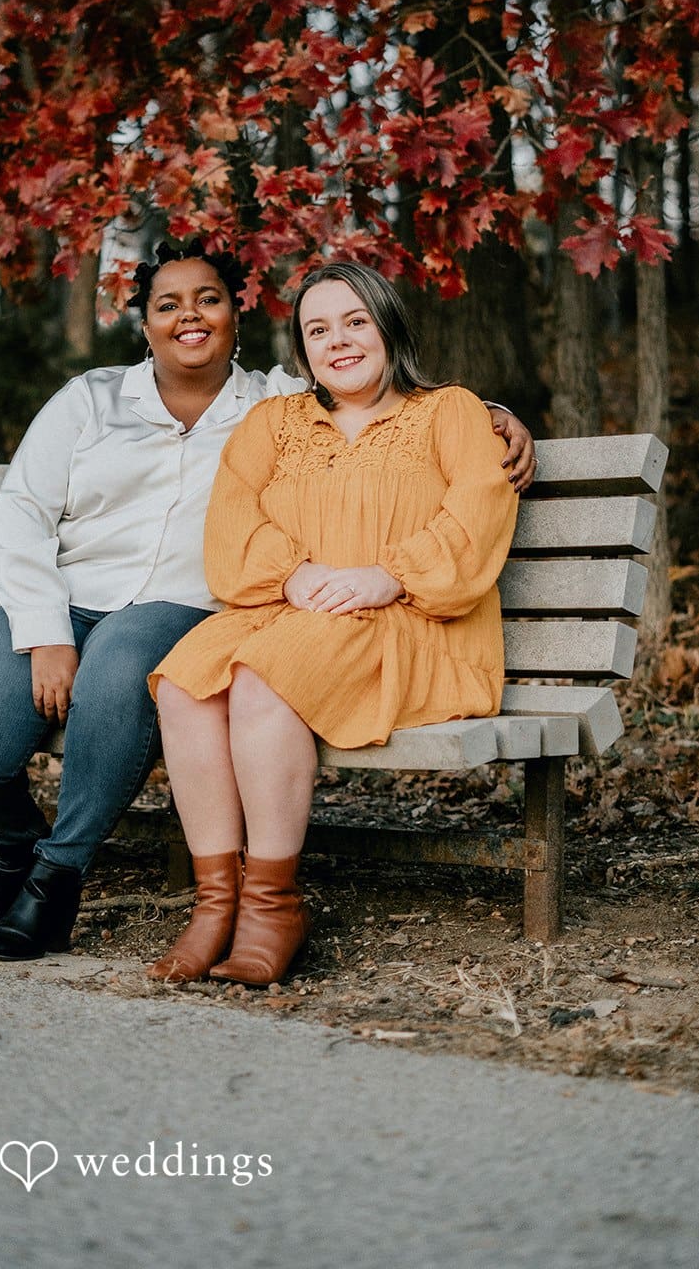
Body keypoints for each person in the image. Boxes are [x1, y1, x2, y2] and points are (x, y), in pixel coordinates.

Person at [0, 242, 535, 962]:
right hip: (78, 597)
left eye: (208, 299)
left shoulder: (279, 399)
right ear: (143, 324)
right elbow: (28, 511)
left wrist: (489, 415)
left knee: (133, 672)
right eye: (167, 304)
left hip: (203, 610)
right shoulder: (108, 401)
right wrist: (43, 627)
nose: (190, 315)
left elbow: (409, 418)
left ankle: (69, 882)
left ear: (236, 316)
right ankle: (43, 858)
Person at [148, 261, 521, 988]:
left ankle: (272, 905)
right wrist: (290, 573)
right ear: (301, 349)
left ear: (387, 326)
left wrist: (391, 576)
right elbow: (230, 527)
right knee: (184, 683)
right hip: (298, 611)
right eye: (318, 329)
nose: (338, 340)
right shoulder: (272, 423)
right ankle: (212, 904)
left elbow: (478, 511)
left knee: (261, 681)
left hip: (413, 619)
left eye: (354, 321)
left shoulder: (448, 411)